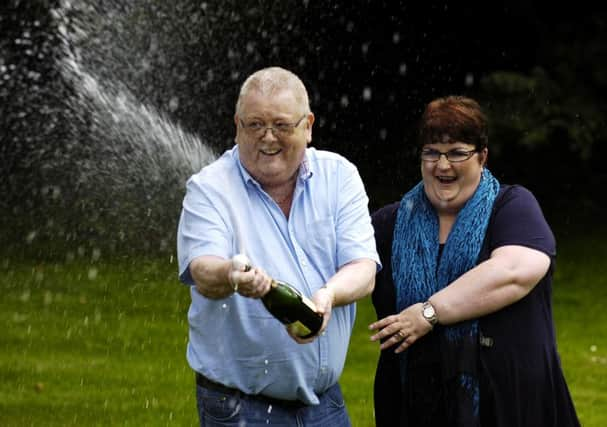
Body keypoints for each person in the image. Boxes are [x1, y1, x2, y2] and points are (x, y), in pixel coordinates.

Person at [177, 66, 380, 426]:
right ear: (237, 125)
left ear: (309, 126)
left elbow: (363, 270)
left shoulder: (339, 176)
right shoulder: (209, 188)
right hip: (241, 407)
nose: (267, 138)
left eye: (281, 126)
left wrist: (326, 297)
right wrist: (231, 274)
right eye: (254, 125)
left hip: (324, 402)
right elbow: (202, 270)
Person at [368, 96, 580, 427]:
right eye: (432, 153)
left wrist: (429, 313)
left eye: (456, 152)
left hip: (511, 407)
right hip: (415, 406)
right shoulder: (389, 224)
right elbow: (339, 269)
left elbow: (514, 272)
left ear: (482, 156)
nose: (442, 165)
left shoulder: (512, 207)